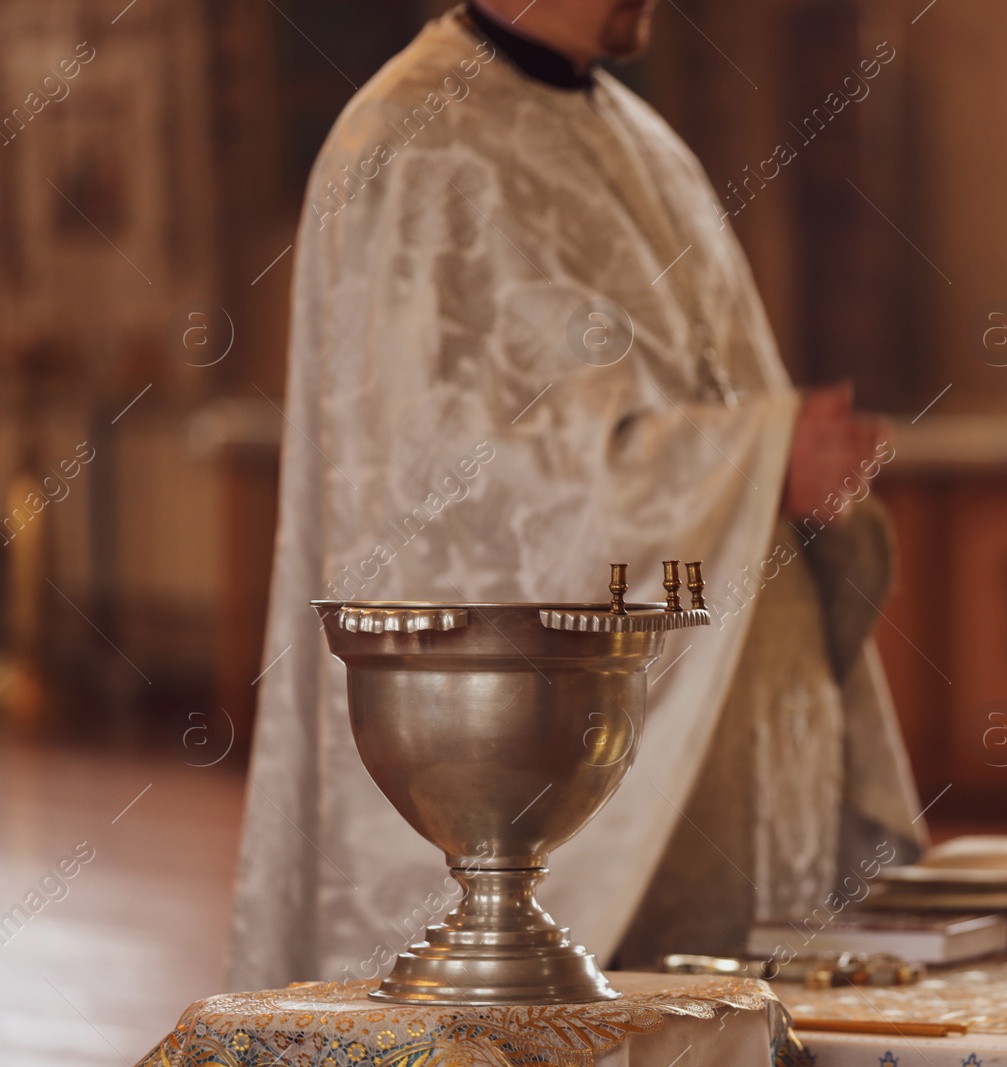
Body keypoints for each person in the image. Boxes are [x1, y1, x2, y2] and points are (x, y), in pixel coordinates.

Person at [226, 0, 924, 988]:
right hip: (537, 761)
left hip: (727, 727)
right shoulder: (411, 142)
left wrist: (788, 455)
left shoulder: (642, 139)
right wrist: (761, 455)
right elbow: (464, 492)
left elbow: (699, 395)